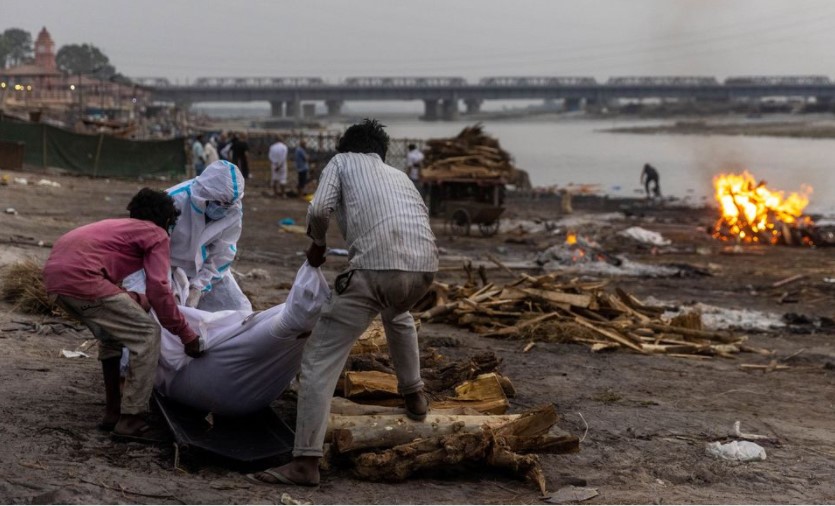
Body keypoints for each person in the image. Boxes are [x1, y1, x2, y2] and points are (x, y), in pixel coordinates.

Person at [250, 119, 438, 487]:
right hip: (424, 269)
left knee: (319, 359)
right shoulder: (400, 176)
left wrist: (317, 245)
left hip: (375, 268)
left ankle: (304, 461)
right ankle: (414, 392)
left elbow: (319, 210)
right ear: (381, 153)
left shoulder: (341, 163)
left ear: (346, 147)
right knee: (397, 313)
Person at [42, 188, 201, 438]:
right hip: (83, 279)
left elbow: (114, 285)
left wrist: (135, 300)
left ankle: (113, 412)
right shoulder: (156, 233)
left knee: (111, 336)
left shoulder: (119, 228)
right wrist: (186, 334)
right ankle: (132, 420)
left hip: (55, 282)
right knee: (147, 335)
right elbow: (159, 288)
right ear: (168, 220)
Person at [167, 160, 251, 312]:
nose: (222, 208)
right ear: (205, 193)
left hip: (205, 270)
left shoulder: (233, 210)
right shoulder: (173, 201)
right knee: (170, 314)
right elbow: (155, 248)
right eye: (218, 203)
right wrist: (170, 288)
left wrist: (199, 287)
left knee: (238, 310)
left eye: (227, 204)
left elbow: (223, 253)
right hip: (167, 266)